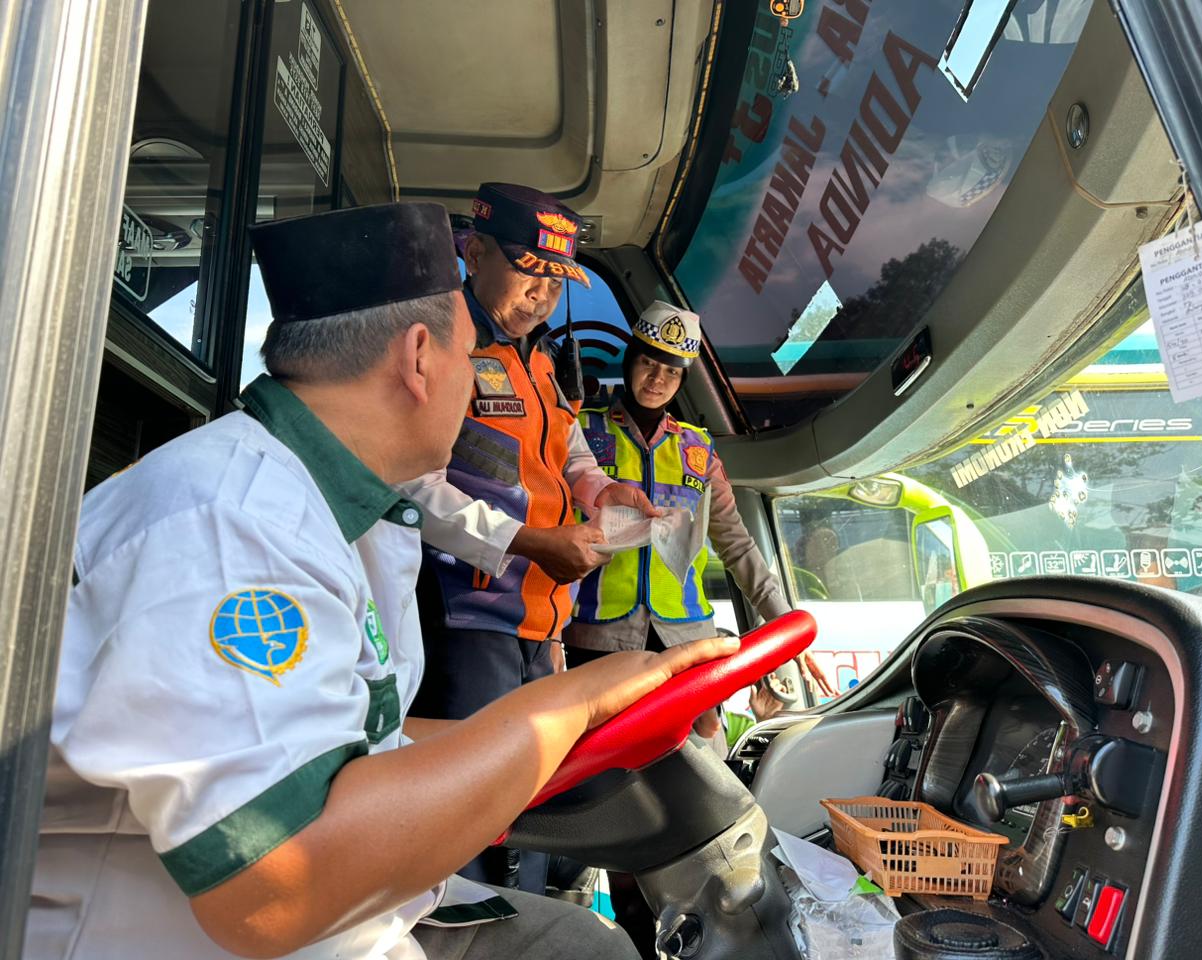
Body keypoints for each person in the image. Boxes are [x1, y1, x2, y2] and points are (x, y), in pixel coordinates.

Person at [26, 201, 738, 960]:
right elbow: (274, 889)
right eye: (469, 359)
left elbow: (367, 743)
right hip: (217, 937)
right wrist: (573, 701)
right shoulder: (231, 526)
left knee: (583, 941)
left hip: (362, 918)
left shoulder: (337, 508)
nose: (473, 382)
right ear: (420, 357)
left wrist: (567, 731)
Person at [406, 183, 656, 892]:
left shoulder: (539, 359)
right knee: (471, 811)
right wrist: (524, 542)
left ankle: (531, 923)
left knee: (531, 798)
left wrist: (602, 489)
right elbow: (410, 486)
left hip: (535, 620)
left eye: (557, 278)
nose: (543, 293)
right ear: (474, 251)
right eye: (528, 269)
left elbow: (571, 452)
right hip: (462, 613)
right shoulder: (438, 345)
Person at [563, 302, 792, 958]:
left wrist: (786, 623)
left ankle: (722, 929)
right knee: (617, 801)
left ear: (684, 375)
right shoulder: (584, 434)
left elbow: (738, 545)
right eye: (648, 360)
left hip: (687, 650)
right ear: (629, 359)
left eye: (672, 367)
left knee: (704, 792)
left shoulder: (698, 451)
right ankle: (640, 939)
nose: (657, 376)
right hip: (599, 643)